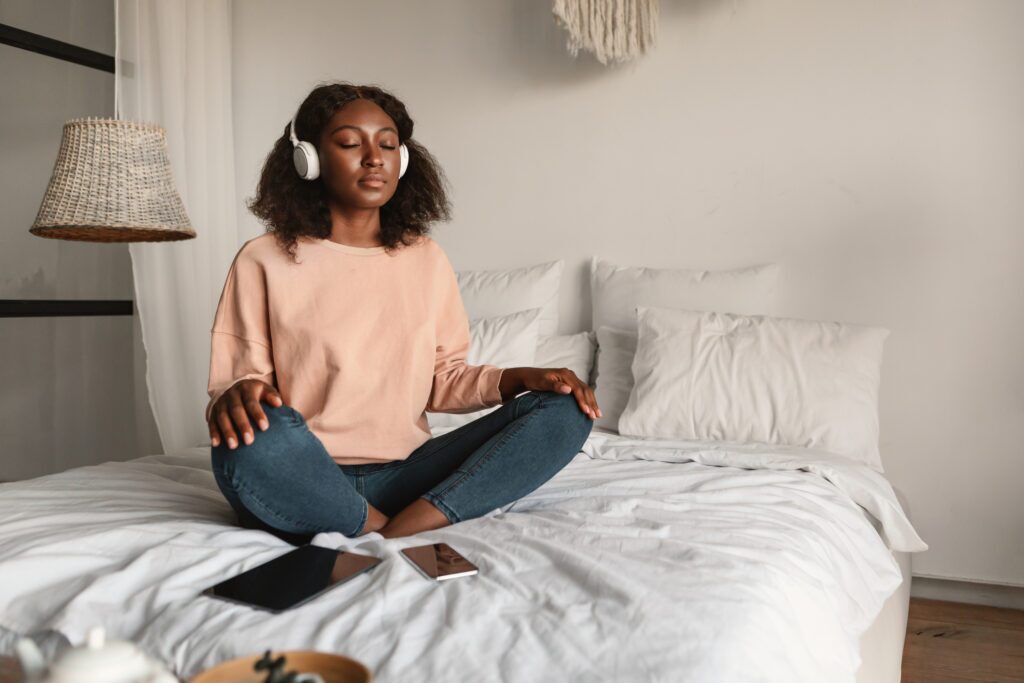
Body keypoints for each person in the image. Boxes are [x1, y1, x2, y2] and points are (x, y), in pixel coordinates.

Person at [205, 82, 599, 543]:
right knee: (251, 440)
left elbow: (442, 379)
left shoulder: (425, 258)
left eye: (388, 144)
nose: (374, 157)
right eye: (351, 143)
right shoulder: (263, 258)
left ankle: (406, 521)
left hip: (408, 475)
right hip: (306, 469)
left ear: (403, 159)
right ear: (307, 158)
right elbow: (238, 387)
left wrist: (517, 378)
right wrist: (238, 393)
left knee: (567, 409)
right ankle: (379, 526)